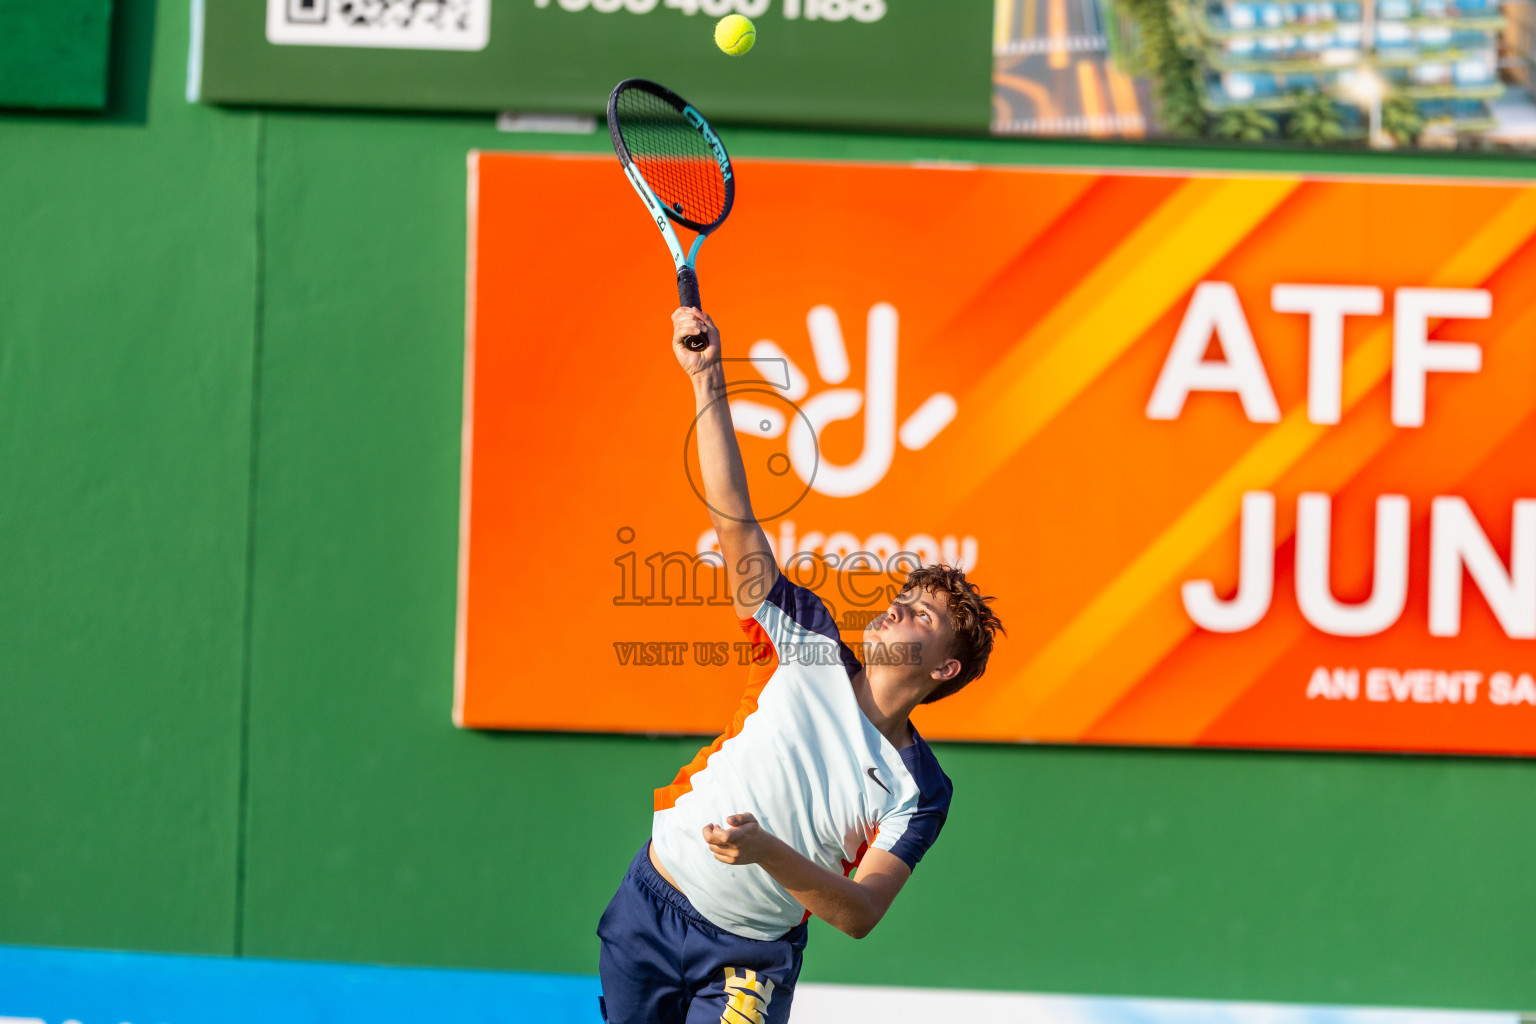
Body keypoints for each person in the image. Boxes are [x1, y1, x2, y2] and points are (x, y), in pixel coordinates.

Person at [596, 307, 1005, 1024]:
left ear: (943, 669)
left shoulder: (922, 790)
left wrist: (763, 850)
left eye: (923, 616)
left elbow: (859, 912)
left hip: (747, 962)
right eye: (903, 597)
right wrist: (706, 377)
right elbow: (734, 519)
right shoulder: (805, 637)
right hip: (648, 905)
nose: (897, 608)